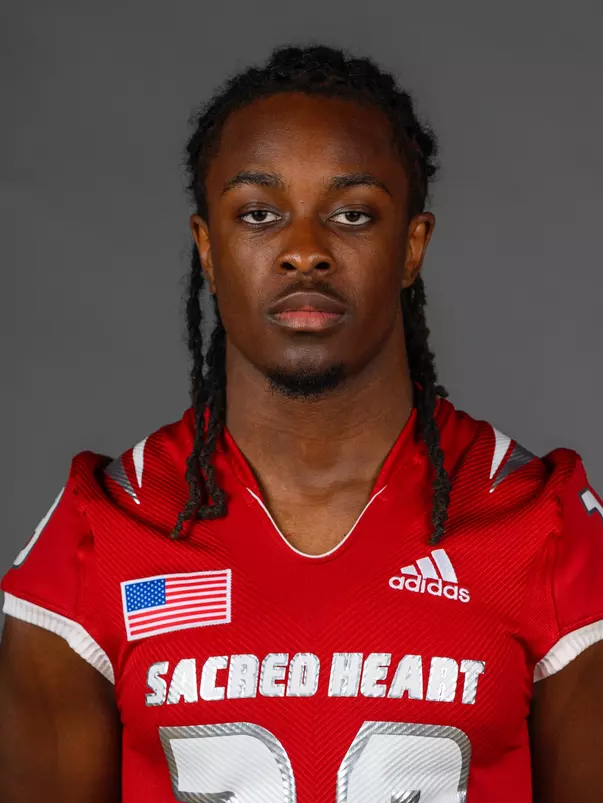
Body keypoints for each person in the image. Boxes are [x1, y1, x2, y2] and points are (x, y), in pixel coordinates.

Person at [1, 44, 602, 803]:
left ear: (410, 246)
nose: (305, 252)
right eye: (259, 214)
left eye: (352, 214)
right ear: (207, 248)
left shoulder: (541, 526)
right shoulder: (100, 531)